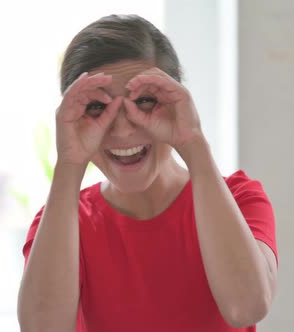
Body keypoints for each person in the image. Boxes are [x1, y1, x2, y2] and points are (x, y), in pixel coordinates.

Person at [17, 14, 278, 332]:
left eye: (144, 101)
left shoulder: (240, 198)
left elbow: (246, 308)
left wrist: (192, 142)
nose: (123, 130)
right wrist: (69, 162)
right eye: (97, 107)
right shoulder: (63, 222)